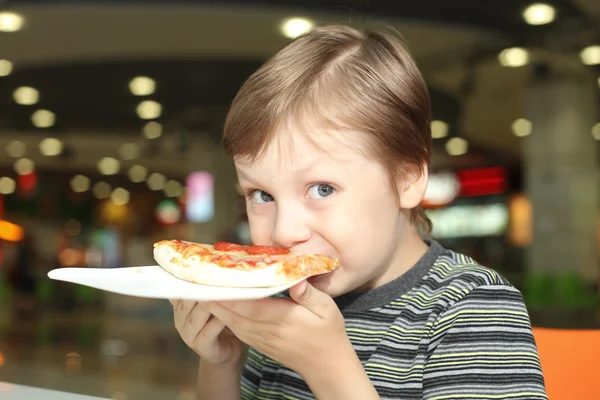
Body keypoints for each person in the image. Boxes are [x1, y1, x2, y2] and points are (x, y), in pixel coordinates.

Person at [170, 25, 547, 399]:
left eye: (322, 189)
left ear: (407, 179)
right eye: (262, 195)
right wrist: (221, 363)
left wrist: (328, 368)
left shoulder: (473, 309)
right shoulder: (280, 302)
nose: (284, 233)